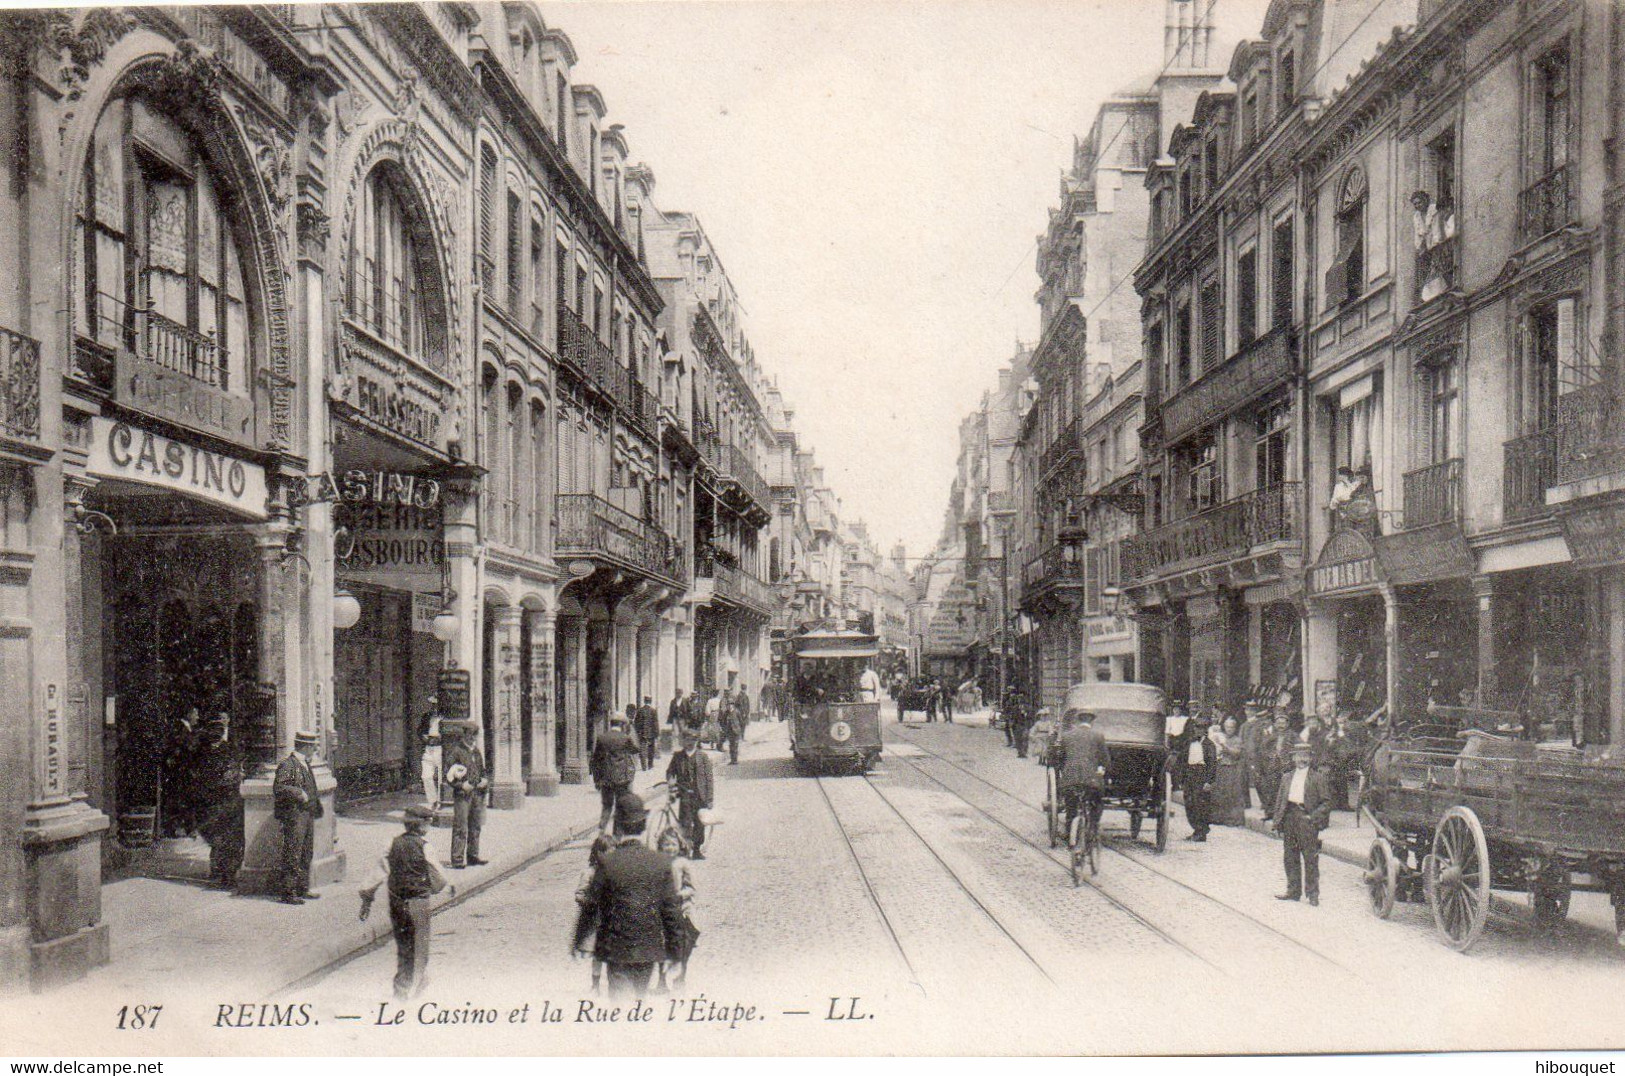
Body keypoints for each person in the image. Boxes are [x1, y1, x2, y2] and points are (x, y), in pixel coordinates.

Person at [571, 793, 685, 999]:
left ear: (619, 826)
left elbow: (591, 906)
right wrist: (676, 951)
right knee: (638, 1000)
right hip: (647, 950)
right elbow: (671, 911)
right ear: (643, 824)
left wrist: (579, 940)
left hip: (616, 949)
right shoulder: (660, 863)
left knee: (620, 1005)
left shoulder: (608, 863)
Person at [359, 803, 453, 999]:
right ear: (423, 826)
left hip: (396, 901)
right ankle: (414, 987)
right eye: (428, 822)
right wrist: (435, 888)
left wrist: (367, 899)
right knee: (420, 946)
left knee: (403, 946)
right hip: (418, 902)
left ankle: (401, 989)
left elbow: (378, 872)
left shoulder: (392, 844)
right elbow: (439, 878)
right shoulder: (426, 847)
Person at [1271, 741, 1330, 905]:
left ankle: (1312, 894)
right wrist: (1277, 822)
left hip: (1306, 818)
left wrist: (1313, 818)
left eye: (1305, 756)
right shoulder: (1287, 777)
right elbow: (1280, 801)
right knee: (1290, 856)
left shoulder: (1318, 778)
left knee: (1310, 858)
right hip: (1290, 816)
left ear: (1310, 758)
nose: (1301, 759)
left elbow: (1326, 802)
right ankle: (1293, 891)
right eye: (1298, 756)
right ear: (1293, 758)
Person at [272, 730, 323, 905]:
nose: (315, 750)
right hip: (295, 815)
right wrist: (298, 792)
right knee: (293, 852)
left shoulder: (304, 764)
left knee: (306, 852)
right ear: (305, 746)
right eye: (313, 746)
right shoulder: (289, 765)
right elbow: (279, 788)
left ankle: (302, 888)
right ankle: (288, 892)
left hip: (306, 814)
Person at [194, 713, 244, 891]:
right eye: (213, 730)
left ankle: (225, 873)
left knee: (225, 838)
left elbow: (233, 774)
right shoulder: (203, 751)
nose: (215, 733)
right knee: (218, 837)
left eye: (218, 730)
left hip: (225, 800)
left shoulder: (228, 750)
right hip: (212, 801)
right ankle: (220, 872)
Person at [1053, 709, 1111, 842]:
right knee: (1097, 801)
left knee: (1071, 808)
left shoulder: (1067, 736)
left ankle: (1069, 835)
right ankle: (1093, 828)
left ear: (1078, 720)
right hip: (1091, 781)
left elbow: (1059, 759)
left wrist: (1066, 771)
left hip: (1070, 780)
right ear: (1092, 721)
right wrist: (1103, 771)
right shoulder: (1098, 736)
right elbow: (1105, 760)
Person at [655, 828, 701, 990]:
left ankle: (680, 979)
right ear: (660, 846)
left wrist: (679, 895)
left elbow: (692, 888)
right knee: (661, 945)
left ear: (679, 846)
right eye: (666, 844)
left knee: (684, 944)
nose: (669, 848)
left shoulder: (683, 863)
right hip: (663, 910)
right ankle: (661, 982)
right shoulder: (658, 863)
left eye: (673, 844)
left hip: (682, 908)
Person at [443, 723, 489, 868]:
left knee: (475, 826)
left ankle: (473, 856)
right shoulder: (456, 751)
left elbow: (482, 770)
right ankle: (457, 859)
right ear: (464, 735)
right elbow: (448, 775)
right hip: (463, 794)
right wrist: (461, 785)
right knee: (461, 826)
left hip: (477, 793)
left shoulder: (476, 751)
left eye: (474, 735)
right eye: (469, 735)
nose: (472, 738)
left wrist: (484, 780)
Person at [666, 726, 715, 859]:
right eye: (687, 740)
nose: (690, 743)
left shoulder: (703, 756)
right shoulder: (678, 757)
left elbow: (709, 778)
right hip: (684, 794)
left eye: (693, 740)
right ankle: (685, 847)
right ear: (683, 741)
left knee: (699, 823)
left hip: (700, 795)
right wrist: (671, 783)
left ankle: (697, 849)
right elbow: (670, 772)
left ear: (696, 741)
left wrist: (710, 798)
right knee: (685, 822)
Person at [590, 715, 642, 835]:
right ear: (622, 725)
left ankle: (601, 831)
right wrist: (630, 731)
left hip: (606, 779)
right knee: (620, 807)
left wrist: (597, 780)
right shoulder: (625, 738)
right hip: (621, 780)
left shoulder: (602, 738)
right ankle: (617, 836)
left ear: (611, 724)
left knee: (607, 806)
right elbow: (636, 749)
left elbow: (595, 760)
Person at [1181, 715, 1217, 841]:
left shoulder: (1209, 745)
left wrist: (1209, 781)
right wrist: (1182, 778)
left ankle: (1202, 832)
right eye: (1196, 728)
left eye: (1201, 728)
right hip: (1190, 773)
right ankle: (1196, 829)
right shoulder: (1188, 743)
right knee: (1189, 802)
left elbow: (1212, 764)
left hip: (1201, 774)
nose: (1198, 731)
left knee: (1200, 803)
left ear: (1205, 730)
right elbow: (1183, 760)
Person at [1210, 715, 1247, 826]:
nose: (1229, 729)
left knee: (1231, 794)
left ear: (1235, 728)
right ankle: (1218, 817)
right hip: (1221, 767)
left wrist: (1225, 747)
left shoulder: (1237, 740)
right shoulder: (1220, 736)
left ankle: (1232, 820)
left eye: (1231, 727)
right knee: (1218, 793)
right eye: (1227, 727)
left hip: (1232, 769)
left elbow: (1237, 753)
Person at [416, 695, 444, 808]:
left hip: (440, 748)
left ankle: (442, 800)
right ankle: (433, 801)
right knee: (426, 776)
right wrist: (423, 737)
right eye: (433, 705)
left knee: (442, 777)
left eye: (436, 705)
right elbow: (420, 730)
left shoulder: (445, 718)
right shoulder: (426, 716)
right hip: (428, 748)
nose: (434, 707)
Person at [635, 696, 660, 771]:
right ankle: (650, 765)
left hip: (642, 734)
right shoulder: (653, 711)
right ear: (651, 701)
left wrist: (638, 732)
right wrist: (657, 733)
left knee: (642, 749)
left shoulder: (640, 710)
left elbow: (636, 722)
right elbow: (656, 723)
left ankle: (643, 766)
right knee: (651, 749)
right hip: (651, 734)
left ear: (644, 701)